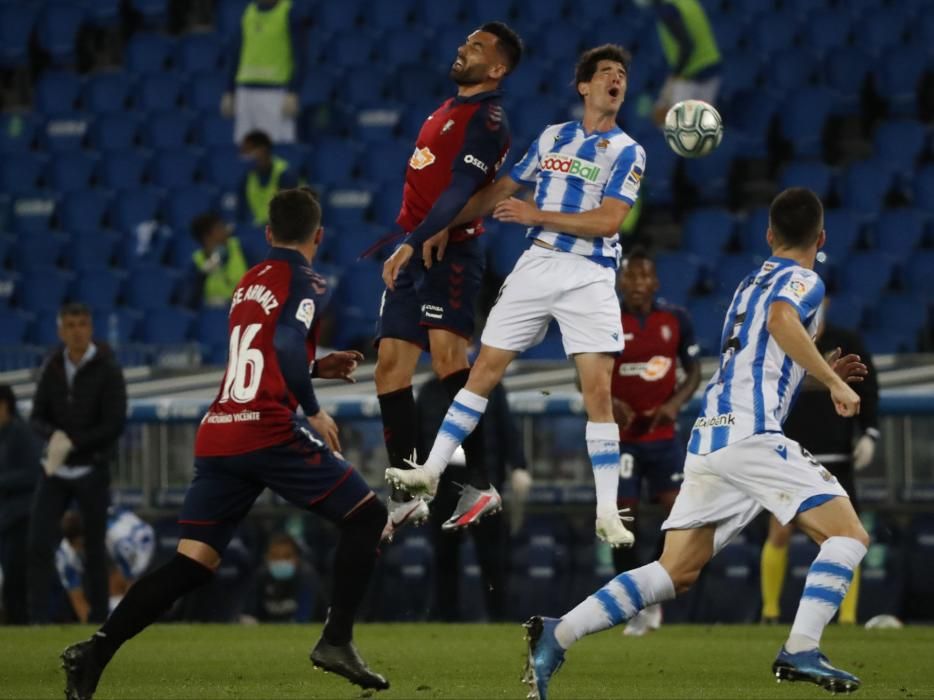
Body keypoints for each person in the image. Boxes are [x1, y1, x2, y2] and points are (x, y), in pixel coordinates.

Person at [522, 188, 873, 699]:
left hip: (712, 435)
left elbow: (762, 354)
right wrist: (837, 383)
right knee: (849, 536)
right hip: (751, 434)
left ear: (768, 235)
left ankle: (558, 633)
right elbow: (781, 321)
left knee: (675, 572)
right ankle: (801, 646)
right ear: (820, 239)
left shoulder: (750, 282)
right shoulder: (806, 280)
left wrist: (818, 375)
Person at [61, 188, 389, 699]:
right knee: (367, 517)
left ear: (267, 234)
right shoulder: (304, 279)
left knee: (192, 562)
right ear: (318, 236)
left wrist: (314, 367)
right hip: (266, 428)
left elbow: (262, 351)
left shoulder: (248, 281)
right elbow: (281, 343)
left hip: (221, 430)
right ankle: (336, 640)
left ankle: (96, 650)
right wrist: (314, 407)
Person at [387, 44, 646, 548]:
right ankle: (432, 472)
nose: (617, 80)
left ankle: (608, 511)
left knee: (596, 391)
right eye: (607, 73)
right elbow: (500, 189)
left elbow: (610, 220)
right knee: (482, 369)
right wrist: (439, 226)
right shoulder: (554, 137)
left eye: (622, 75)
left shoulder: (628, 150)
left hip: (589, 273)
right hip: (537, 265)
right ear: (584, 86)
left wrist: (537, 215)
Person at [374, 22, 523, 539]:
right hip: (418, 246)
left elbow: (462, 184)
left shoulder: (489, 118)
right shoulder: (447, 108)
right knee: (389, 368)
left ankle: (480, 481)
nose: (464, 49)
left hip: (450, 252)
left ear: (498, 68)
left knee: (448, 361)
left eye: (477, 48)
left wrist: (421, 236)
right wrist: (414, 238)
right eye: (465, 42)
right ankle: (407, 494)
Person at [761, 304, 879, 625]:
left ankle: (848, 618)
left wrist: (870, 431)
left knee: (848, 534)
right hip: (790, 453)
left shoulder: (847, 340)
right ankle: (769, 612)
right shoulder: (780, 339)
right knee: (779, 529)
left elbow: (868, 388)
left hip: (836, 454)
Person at [609, 247, 700, 636]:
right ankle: (634, 602)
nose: (638, 284)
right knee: (621, 524)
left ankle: (653, 593)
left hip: (664, 438)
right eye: (630, 277)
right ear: (620, 282)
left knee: (679, 518)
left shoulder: (675, 319)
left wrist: (675, 404)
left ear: (656, 282)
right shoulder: (605, 318)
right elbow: (584, 374)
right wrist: (607, 401)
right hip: (622, 440)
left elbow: (695, 371)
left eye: (644, 277)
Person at [27, 303, 127, 624]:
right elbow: (37, 416)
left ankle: (99, 619)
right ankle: (37, 619)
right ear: (60, 331)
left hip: (91, 468)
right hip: (57, 470)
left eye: (82, 324)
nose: (77, 331)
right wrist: (54, 436)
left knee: (95, 549)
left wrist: (75, 443)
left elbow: (114, 422)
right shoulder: (52, 366)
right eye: (70, 325)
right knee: (39, 544)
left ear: (91, 328)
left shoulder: (107, 368)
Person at [416, 377, 529, 621]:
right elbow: (418, 435)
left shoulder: (491, 386)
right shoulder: (429, 390)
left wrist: (518, 465)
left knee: (492, 555)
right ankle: (445, 616)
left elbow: (506, 427)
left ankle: (499, 616)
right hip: (443, 484)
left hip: (482, 479)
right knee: (444, 554)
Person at [221, 0, 303, 144]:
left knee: (275, 148)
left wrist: (293, 92)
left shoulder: (289, 13)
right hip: (245, 91)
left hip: (275, 92)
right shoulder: (248, 12)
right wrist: (229, 91)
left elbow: (300, 57)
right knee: (245, 148)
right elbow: (236, 52)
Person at [55, 509, 155, 623]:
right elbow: (77, 598)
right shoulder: (65, 553)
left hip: (142, 545)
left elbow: (131, 585)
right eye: (77, 546)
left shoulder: (122, 541)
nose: (81, 549)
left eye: (83, 544)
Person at [635, 0, 722, 126]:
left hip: (691, 72)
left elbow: (686, 46)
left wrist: (675, 76)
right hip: (712, 67)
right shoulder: (687, 2)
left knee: (677, 128)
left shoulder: (667, 10)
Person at [0, 383, 41, 624]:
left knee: (17, 579)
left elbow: (33, 473)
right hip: (6, 519)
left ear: (5, 405)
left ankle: (22, 622)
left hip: (22, 517)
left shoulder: (21, 433)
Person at [186, 212, 249, 309]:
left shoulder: (241, 248)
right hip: (214, 317)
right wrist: (202, 275)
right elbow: (188, 302)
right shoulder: (196, 262)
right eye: (219, 228)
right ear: (207, 237)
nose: (225, 230)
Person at [251, 533, 318, 623]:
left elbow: (304, 617)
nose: (280, 561)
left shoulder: (307, 577)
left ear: (297, 558)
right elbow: (250, 616)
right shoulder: (260, 577)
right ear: (267, 558)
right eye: (275, 556)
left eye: (287, 556)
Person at [239, 130, 300, 225]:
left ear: (262, 150)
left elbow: (289, 212)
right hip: (259, 230)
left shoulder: (285, 174)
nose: (245, 156)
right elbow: (241, 212)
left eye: (248, 151)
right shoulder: (247, 177)